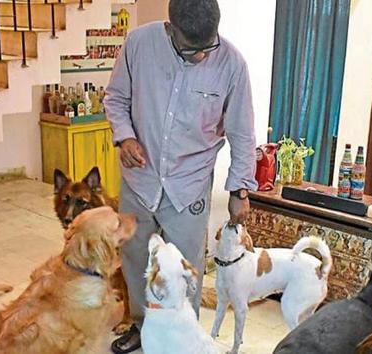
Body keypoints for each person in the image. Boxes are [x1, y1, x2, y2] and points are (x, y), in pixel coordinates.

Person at [104, 0, 257, 352]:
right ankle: (143, 327)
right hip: (139, 179)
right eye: (191, 50)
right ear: (169, 29)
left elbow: (242, 133)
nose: (202, 56)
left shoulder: (232, 65)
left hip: (189, 185)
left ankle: (184, 341)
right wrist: (125, 136)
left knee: (186, 269)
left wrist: (240, 189)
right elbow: (115, 99)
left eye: (209, 47)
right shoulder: (139, 45)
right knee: (135, 257)